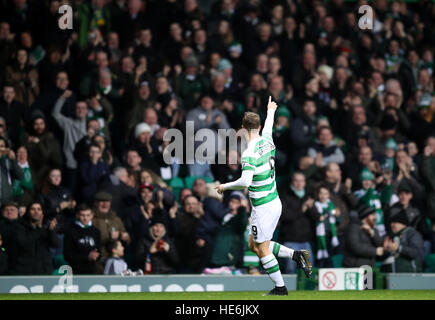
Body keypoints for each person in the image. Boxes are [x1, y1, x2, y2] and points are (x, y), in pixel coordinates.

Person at [215, 97, 311, 296]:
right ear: (257, 127)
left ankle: (280, 288)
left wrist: (225, 186)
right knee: (254, 243)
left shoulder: (249, 153)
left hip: (263, 206)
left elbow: (245, 181)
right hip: (274, 200)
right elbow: (269, 126)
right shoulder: (267, 139)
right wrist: (271, 110)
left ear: (242, 128)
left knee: (261, 249)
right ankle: (296, 255)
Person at [278, 172, 316, 274]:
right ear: (292, 182)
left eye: (301, 181)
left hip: (305, 241)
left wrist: (311, 207)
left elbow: (316, 217)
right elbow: (285, 216)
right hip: (290, 241)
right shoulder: (285, 196)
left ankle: (309, 290)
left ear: (305, 183)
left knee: (309, 270)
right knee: (290, 270)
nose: (299, 183)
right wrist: (302, 209)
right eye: (296, 181)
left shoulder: (308, 196)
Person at [12, 202, 58, 275]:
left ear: (42, 213)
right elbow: (23, 244)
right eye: (33, 209)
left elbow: (55, 244)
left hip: (44, 269)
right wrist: (38, 228)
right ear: (28, 212)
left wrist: (51, 231)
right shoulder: (20, 227)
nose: (36, 211)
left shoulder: (47, 228)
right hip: (25, 270)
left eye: (39, 209)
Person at [342, 204, 384, 268]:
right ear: (366, 216)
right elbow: (355, 247)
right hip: (354, 267)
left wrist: (373, 234)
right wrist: (374, 251)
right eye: (372, 215)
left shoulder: (374, 230)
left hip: (369, 267)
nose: (375, 217)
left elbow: (380, 244)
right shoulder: (353, 227)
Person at [63, 204, 101, 274]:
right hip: (75, 272)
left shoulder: (96, 231)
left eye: (88, 215)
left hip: (92, 271)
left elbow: (99, 252)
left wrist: (96, 255)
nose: (85, 218)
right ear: (77, 215)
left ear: (92, 215)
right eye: (82, 215)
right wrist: (87, 257)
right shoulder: (70, 231)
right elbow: (67, 255)